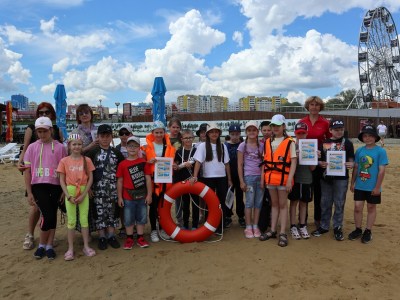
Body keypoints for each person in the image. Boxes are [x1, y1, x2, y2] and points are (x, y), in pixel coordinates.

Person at [18, 102, 64, 251]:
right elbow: (27, 169)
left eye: (45, 131)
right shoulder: (32, 145)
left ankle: (49, 244)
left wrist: (64, 189)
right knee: (45, 214)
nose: (42, 134)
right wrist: (29, 191)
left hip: (56, 184)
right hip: (38, 185)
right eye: (40, 131)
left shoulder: (59, 146)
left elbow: (64, 168)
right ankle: (38, 241)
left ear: (51, 130)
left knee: (52, 213)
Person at [312, 119, 355, 241]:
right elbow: (319, 159)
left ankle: (337, 227)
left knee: (339, 203)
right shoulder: (324, 143)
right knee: (325, 202)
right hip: (326, 178)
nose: (339, 132)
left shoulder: (348, 143)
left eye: (341, 129)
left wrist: (351, 163)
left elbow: (351, 158)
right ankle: (324, 226)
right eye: (336, 129)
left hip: (341, 178)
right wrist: (320, 163)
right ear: (330, 130)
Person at [259, 114, 296, 247]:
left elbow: (293, 162)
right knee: (274, 205)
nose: (275, 128)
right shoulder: (268, 142)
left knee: (283, 205)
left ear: (284, 126)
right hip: (270, 179)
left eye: (278, 125)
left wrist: (289, 180)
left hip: (283, 179)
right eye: (273, 125)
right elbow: (264, 162)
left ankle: (282, 233)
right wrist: (263, 178)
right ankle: (273, 230)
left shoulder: (290, 142)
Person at [57, 134, 96, 260]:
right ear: (69, 145)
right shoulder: (64, 161)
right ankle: (70, 248)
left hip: (83, 190)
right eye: (74, 144)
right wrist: (68, 196)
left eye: (79, 144)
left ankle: (86, 246)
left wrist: (84, 194)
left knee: (84, 219)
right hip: (70, 191)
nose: (77, 147)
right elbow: (61, 180)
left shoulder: (87, 160)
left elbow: (90, 178)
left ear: (82, 145)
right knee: (71, 220)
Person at [86, 124, 125, 250]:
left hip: (113, 189)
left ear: (111, 137)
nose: (105, 139)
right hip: (97, 190)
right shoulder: (92, 153)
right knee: (99, 213)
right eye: (102, 136)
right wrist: (89, 188)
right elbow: (87, 171)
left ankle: (111, 235)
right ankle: (102, 236)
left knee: (112, 213)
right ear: (98, 137)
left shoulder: (116, 153)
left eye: (107, 136)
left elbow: (122, 170)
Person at [190, 122, 232, 235]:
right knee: (210, 202)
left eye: (216, 132)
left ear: (219, 133)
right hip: (208, 178)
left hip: (222, 177)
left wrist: (229, 179)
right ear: (208, 134)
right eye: (211, 132)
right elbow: (198, 162)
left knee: (221, 202)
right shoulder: (202, 146)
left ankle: (220, 225)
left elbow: (227, 164)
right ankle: (210, 226)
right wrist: (195, 176)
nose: (214, 134)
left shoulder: (223, 146)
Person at [349, 125, 388, 244]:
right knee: (357, 207)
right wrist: (352, 183)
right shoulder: (360, 150)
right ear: (362, 138)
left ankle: (368, 230)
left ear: (375, 137)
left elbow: (381, 170)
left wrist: (377, 187)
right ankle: (358, 229)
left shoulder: (381, 151)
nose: (368, 138)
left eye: (370, 135)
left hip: (373, 186)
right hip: (360, 185)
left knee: (371, 207)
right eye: (365, 136)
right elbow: (356, 168)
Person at [142, 121, 176, 242]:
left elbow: (172, 161)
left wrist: (174, 165)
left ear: (164, 132)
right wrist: (148, 162)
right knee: (153, 206)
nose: (159, 134)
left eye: (161, 132)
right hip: (152, 181)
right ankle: (153, 230)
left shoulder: (169, 147)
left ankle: (162, 228)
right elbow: (141, 162)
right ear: (152, 133)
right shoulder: (146, 147)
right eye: (156, 132)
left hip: (165, 180)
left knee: (163, 206)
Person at [300, 96, 331, 229]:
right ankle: (303, 219)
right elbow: (298, 139)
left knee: (319, 192)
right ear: (308, 106)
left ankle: (318, 218)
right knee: (306, 191)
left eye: (317, 105)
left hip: (319, 160)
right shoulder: (302, 121)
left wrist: (325, 158)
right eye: (312, 104)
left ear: (320, 107)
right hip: (304, 161)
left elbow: (329, 142)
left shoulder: (325, 123)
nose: (314, 107)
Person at [116, 136, 152, 250]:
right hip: (127, 197)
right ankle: (129, 238)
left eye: (135, 146)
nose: (132, 148)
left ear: (139, 148)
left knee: (141, 217)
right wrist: (119, 197)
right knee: (128, 218)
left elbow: (148, 179)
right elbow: (120, 181)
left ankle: (140, 237)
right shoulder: (122, 164)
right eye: (130, 146)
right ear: (126, 147)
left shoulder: (143, 162)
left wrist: (149, 194)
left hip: (142, 195)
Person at [70, 104, 99, 234]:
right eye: (81, 113)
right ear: (78, 117)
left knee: (97, 198)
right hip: (82, 169)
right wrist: (90, 146)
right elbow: (71, 152)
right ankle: (86, 232)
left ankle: (99, 229)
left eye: (87, 112)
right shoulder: (76, 132)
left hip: (98, 166)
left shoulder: (97, 130)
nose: (85, 115)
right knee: (86, 197)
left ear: (91, 114)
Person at [288, 122, 315, 240]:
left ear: (307, 133)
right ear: (295, 134)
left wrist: (313, 157)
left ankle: (302, 225)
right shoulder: (291, 145)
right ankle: (293, 225)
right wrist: (294, 156)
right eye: (299, 133)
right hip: (294, 179)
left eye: (303, 133)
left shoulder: (311, 146)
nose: (301, 135)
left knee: (304, 203)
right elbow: (287, 165)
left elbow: (313, 168)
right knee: (293, 202)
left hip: (307, 179)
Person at [237, 121, 264, 238]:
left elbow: (264, 164)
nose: (252, 132)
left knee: (258, 203)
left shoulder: (262, 145)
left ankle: (255, 225)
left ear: (258, 132)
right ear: (246, 132)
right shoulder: (242, 145)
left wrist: (263, 179)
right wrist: (241, 181)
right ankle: (248, 226)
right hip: (249, 177)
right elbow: (239, 164)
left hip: (259, 177)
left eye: (254, 130)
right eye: (249, 130)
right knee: (249, 202)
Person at [173, 129, 199, 229]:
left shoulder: (196, 151)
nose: (188, 140)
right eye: (186, 138)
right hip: (183, 181)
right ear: (182, 139)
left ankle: (195, 225)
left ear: (193, 138)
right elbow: (176, 164)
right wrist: (177, 166)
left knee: (196, 204)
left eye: (190, 138)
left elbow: (199, 164)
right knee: (185, 204)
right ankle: (185, 224)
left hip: (194, 181)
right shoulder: (179, 151)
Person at [225, 123, 245, 227]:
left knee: (240, 197)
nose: (235, 136)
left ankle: (241, 216)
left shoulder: (243, 145)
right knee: (229, 196)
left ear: (240, 134)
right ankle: (228, 216)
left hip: (240, 176)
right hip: (229, 176)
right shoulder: (225, 145)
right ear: (229, 134)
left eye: (237, 134)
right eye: (232, 134)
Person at [258, 121, 272, 235]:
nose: (267, 132)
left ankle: (271, 223)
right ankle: (262, 224)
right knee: (262, 200)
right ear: (261, 131)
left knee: (272, 201)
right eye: (264, 130)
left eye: (269, 130)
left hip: (273, 176)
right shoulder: (259, 143)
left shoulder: (275, 142)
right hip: (261, 176)